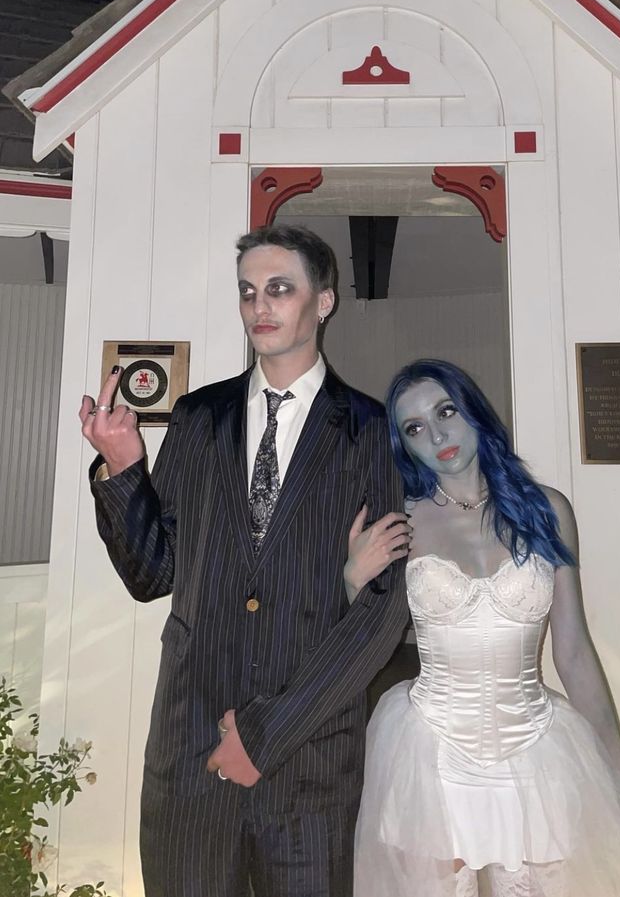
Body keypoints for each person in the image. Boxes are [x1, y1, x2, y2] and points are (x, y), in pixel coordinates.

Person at [79, 224, 410, 897]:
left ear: (324, 301)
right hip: (190, 758)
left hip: (308, 765)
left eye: (280, 288)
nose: (261, 305)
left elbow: (379, 615)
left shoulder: (368, 430)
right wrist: (122, 471)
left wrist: (265, 734)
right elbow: (153, 575)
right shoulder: (197, 419)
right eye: (248, 291)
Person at [351, 358, 620, 897]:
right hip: (430, 753)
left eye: (446, 412)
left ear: (474, 411)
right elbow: (353, 640)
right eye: (414, 428)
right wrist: (351, 579)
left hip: (534, 749)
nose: (437, 435)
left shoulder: (548, 511)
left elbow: (575, 656)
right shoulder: (399, 524)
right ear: (403, 444)